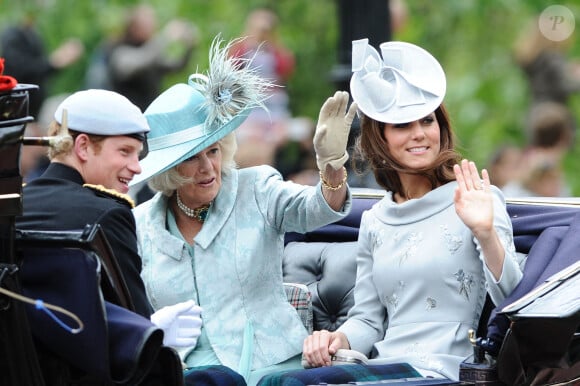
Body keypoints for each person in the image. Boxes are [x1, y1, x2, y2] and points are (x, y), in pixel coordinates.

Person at [130, 36, 356, 386]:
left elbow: (318, 209)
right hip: (185, 374)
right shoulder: (139, 225)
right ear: (168, 171)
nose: (208, 167)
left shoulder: (257, 188)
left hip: (273, 369)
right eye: (191, 157)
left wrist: (331, 167)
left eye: (214, 151)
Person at [293, 39, 523, 382]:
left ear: (440, 128)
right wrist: (334, 339)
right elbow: (368, 319)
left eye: (427, 121)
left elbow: (512, 301)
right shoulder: (375, 220)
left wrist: (485, 233)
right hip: (384, 366)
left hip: (443, 370)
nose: (419, 134)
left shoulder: (476, 197)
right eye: (403, 125)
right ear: (380, 138)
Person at [14, 88, 246, 385]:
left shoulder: (13, 207)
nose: (136, 168)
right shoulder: (106, 215)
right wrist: (157, 329)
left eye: (138, 155)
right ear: (83, 147)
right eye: (124, 151)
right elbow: (139, 343)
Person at [89, 3, 198, 111]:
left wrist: (190, 47)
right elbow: (139, 62)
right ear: (133, 26)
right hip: (126, 118)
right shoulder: (118, 48)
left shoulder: (152, 49)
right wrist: (165, 37)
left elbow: (177, 67)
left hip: (149, 117)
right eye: (146, 22)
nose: (151, 25)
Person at [228, 6, 295, 168]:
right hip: (249, 108)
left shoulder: (276, 52)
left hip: (272, 108)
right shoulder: (241, 50)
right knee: (249, 143)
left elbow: (286, 70)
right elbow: (230, 72)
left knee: (269, 144)